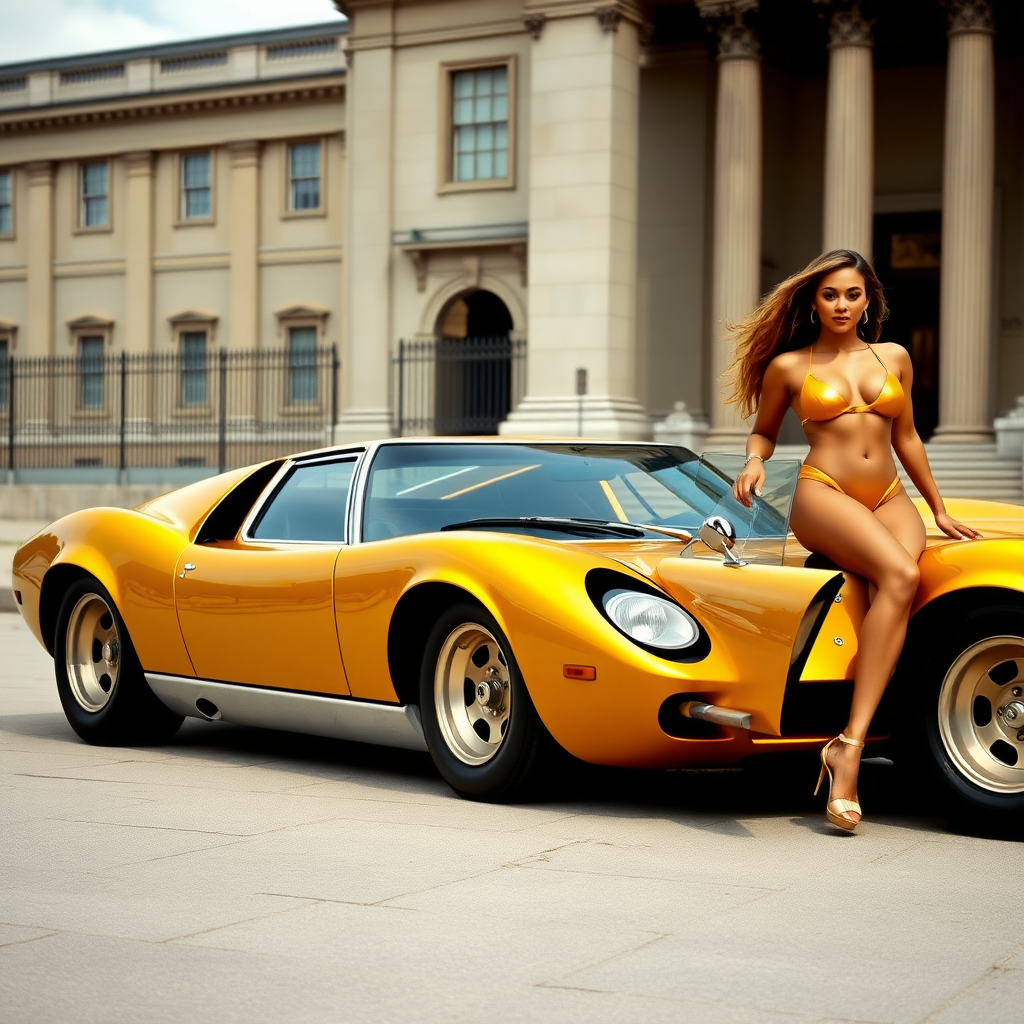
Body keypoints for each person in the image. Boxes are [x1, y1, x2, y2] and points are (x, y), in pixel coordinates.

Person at [727, 249, 979, 832]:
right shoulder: (790, 365)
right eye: (830, 295)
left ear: (869, 301)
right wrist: (753, 463)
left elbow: (909, 436)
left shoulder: (893, 356)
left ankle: (851, 733)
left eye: (853, 295)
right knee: (901, 576)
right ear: (812, 301)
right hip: (824, 494)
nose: (842, 305)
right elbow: (764, 431)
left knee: (887, 589)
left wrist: (937, 507)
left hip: (890, 495)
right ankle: (850, 754)